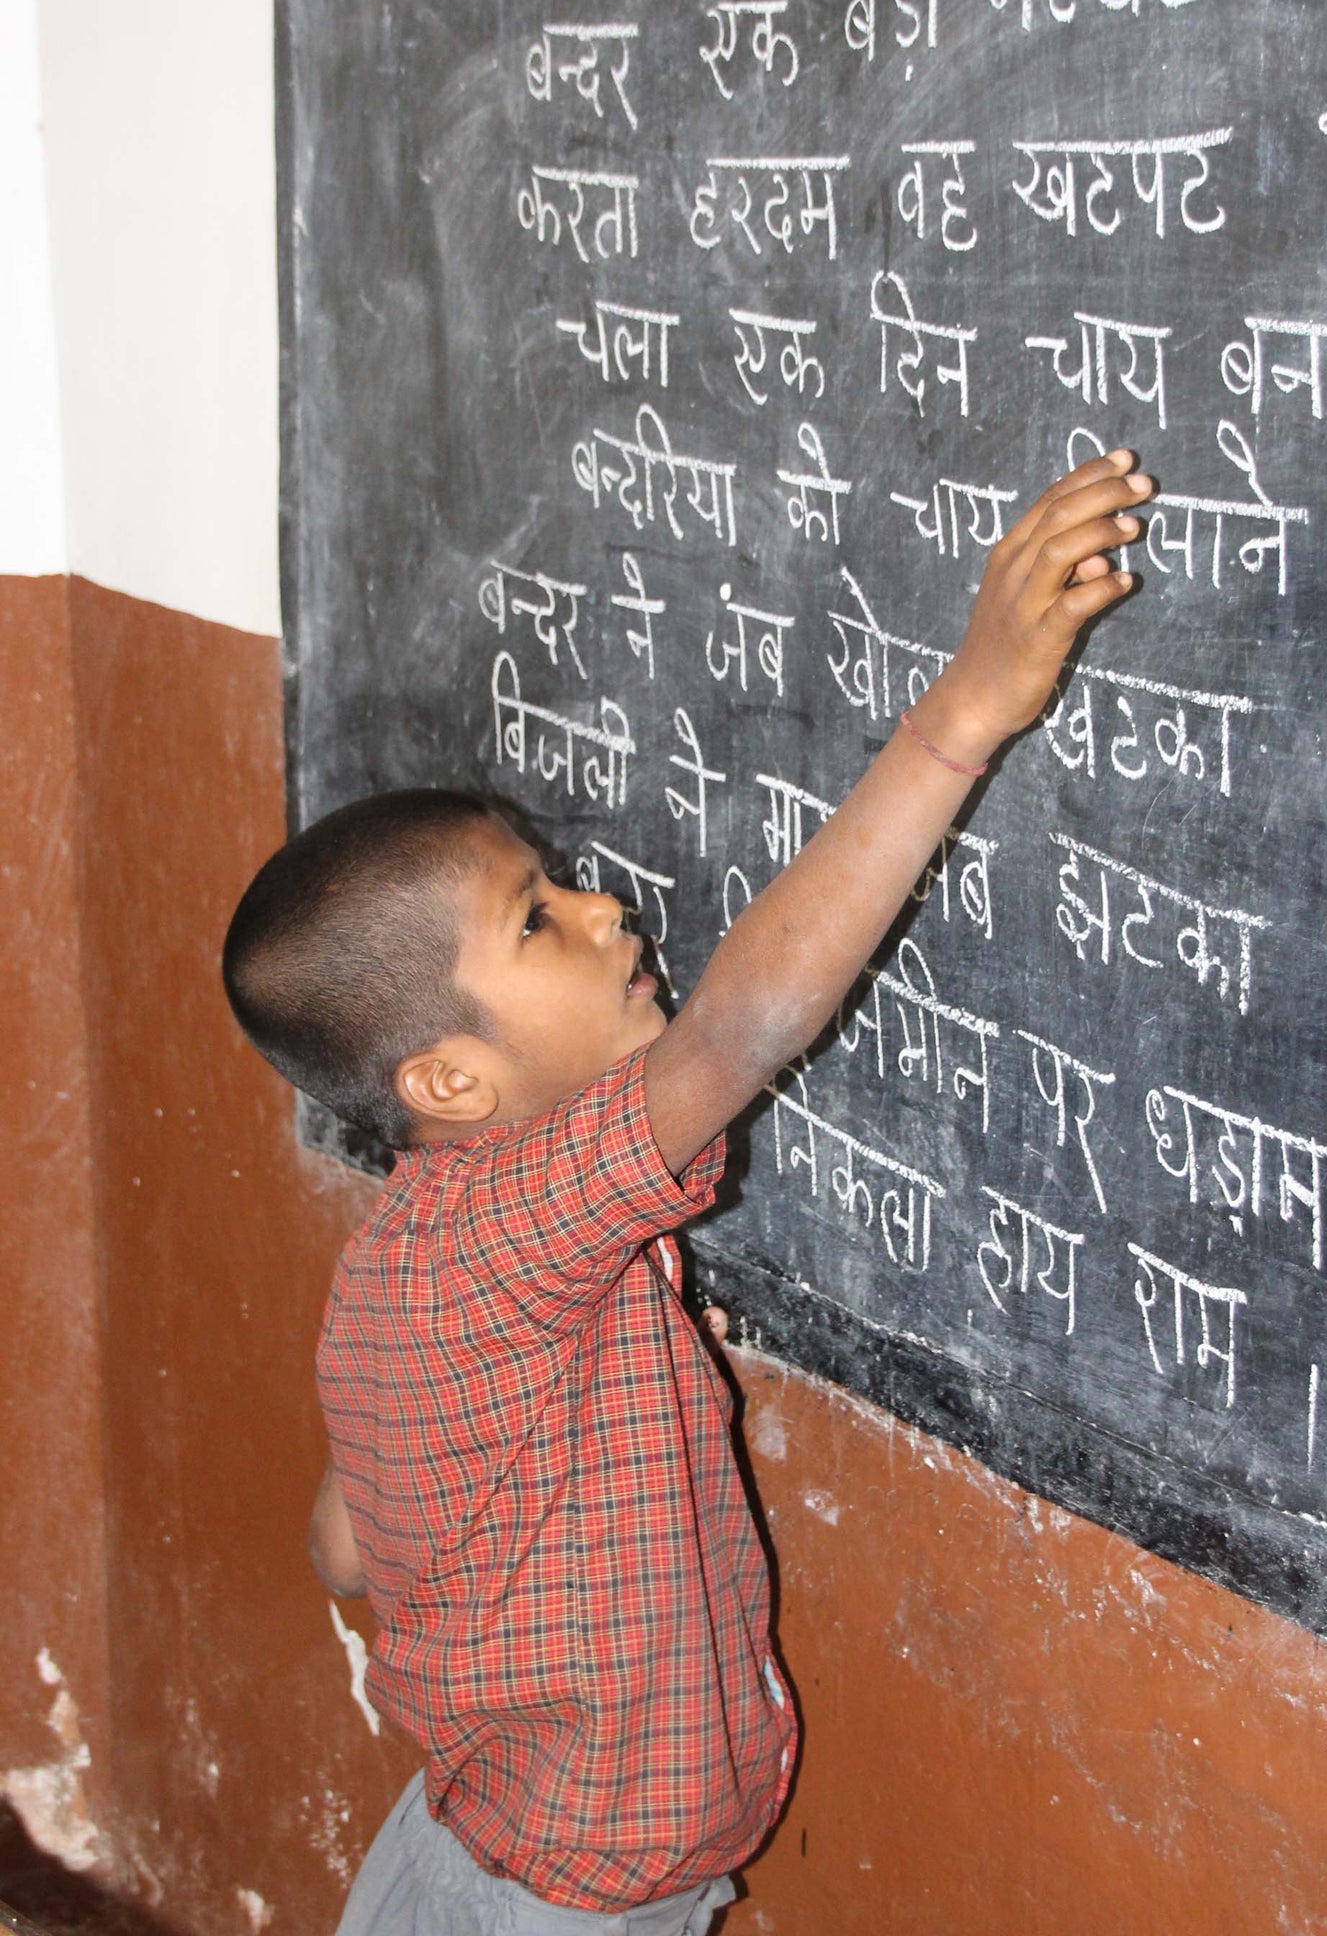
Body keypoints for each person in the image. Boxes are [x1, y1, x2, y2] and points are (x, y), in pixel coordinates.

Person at [223, 452, 1149, 1934]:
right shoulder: (514, 1224)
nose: (605, 908)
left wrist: (552, 1446)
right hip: (570, 1893)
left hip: (477, 1837)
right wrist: (964, 711)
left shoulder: (412, 1254)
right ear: (449, 1080)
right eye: (538, 920)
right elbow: (737, 1035)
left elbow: (345, 1544)